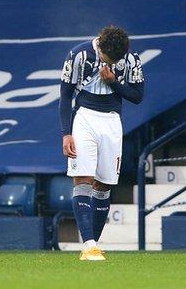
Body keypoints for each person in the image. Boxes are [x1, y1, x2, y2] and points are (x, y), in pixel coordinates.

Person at [58, 25, 145, 260]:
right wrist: (66, 133)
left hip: (112, 121)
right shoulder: (79, 55)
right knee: (83, 178)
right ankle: (88, 244)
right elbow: (65, 95)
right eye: (109, 58)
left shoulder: (131, 59)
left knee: (104, 185)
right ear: (100, 47)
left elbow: (138, 96)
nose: (113, 61)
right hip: (85, 118)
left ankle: (93, 245)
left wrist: (115, 82)